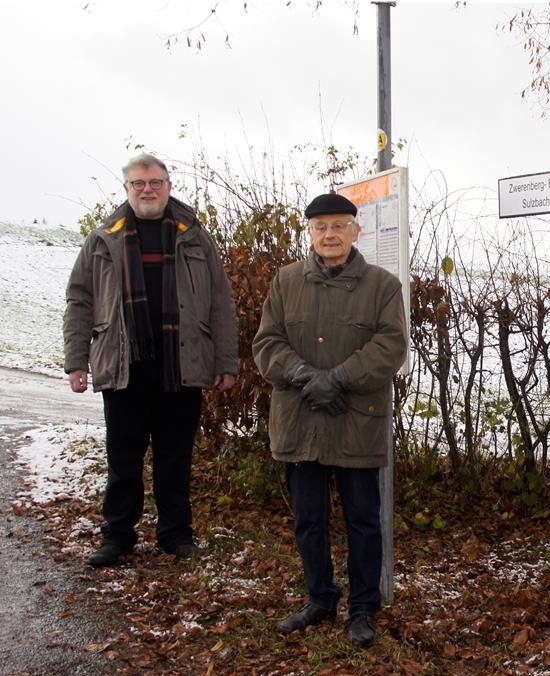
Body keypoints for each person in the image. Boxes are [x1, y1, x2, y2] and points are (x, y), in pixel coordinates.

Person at [64, 153, 238, 567]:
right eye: (139, 183)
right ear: (126, 189)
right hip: (125, 367)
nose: (147, 189)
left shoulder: (195, 236)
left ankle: (175, 535)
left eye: (155, 182)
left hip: (183, 365)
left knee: (174, 460)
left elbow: (220, 301)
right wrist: (77, 360)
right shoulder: (103, 238)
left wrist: (226, 361)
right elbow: (80, 301)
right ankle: (118, 536)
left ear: (168, 186)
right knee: (123, 460)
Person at [252, 192, 407, 649]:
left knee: (363, 519)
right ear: (310, 233)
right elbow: (267, 343)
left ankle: (362, 609)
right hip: (301, 419)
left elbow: (390, 348)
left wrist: (338, 378)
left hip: (356, 420)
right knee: (308, 519)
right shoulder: (284, 282)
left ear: (356, 231)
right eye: (321, 227)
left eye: (339, 226)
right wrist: (303, 375)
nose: (330, 235)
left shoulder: (382, 286)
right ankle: (320, 599)